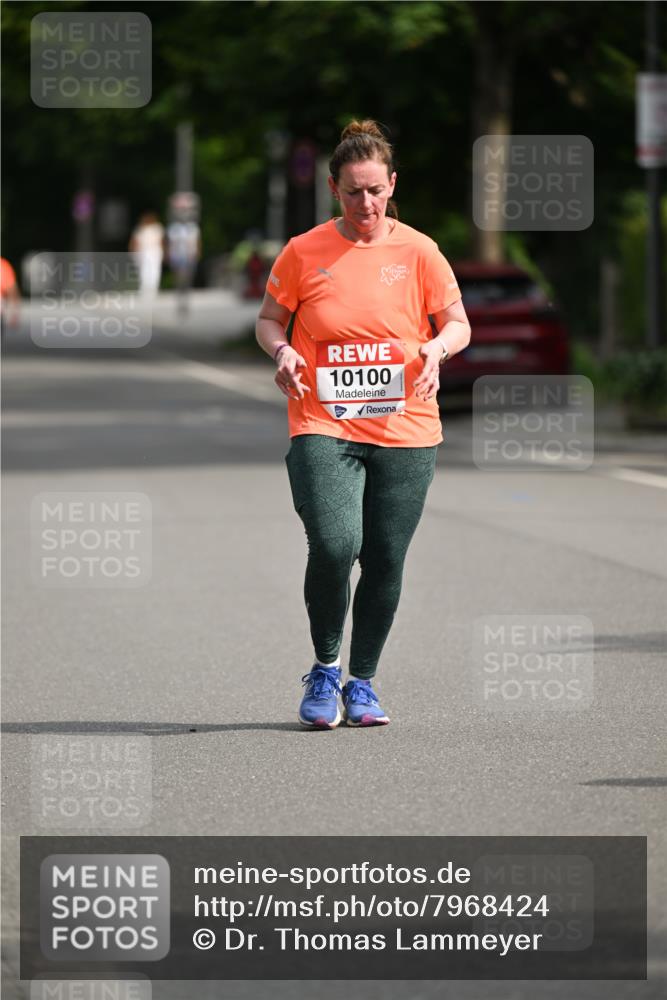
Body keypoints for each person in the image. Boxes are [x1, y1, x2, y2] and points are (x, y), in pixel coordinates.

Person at [255, 120, 471, 729]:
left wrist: (436, 350)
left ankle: (363, 682)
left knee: (384, 558)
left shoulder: (420, 251)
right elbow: (268, 320)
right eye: (353, 191)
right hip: (323, 420)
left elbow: (458, 323)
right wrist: (282, 351)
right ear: (334, 189)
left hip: (407, 429)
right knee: (333, 544)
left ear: (392, 184)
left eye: (376, 190)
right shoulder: (304, 251)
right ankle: (326, 667)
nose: (366, 203)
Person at [129, 212, 164, 296]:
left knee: (154, 270)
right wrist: (134, 251)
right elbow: (135, 241)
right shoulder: (140, 228)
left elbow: (161, 241)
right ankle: (145, 288)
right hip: (144, 251)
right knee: (144, 270)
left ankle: (153, 288)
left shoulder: (157, 228)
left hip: (154, 250)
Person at [0, 257, 21, 338]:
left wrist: (14, 314)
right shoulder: (3, 265)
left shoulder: (3, 265)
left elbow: (12, 289)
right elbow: (12, 289)